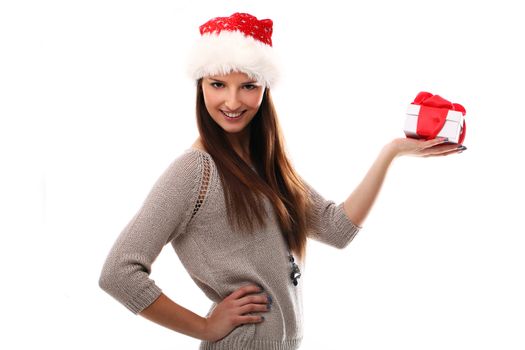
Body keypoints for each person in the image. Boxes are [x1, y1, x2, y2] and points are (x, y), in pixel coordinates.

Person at [98, 12, 466, 350]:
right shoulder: (196, 170)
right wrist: (205, 328)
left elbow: (337, 229)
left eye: (248, 85)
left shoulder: (264, 165)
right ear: (200, 86)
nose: (231, 100)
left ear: (265, 89)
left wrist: (391, 153)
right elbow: (119, 273)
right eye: (217, 84)